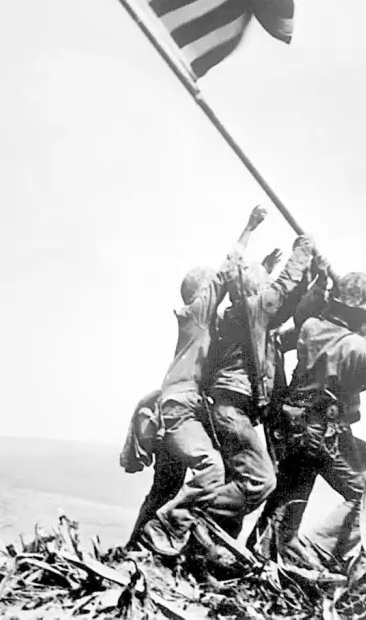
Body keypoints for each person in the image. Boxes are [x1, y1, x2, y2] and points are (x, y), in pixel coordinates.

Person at [249, 271, 366, 571]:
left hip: (293, 426)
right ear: (357, 312)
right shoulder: (357, 350)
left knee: (296, 492)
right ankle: (315, 552)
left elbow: (290, 338)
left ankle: (263, 551)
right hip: (320, 435)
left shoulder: (311, 327)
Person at [137, 205, 267, 556]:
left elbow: (235, 293)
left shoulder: (204, 325)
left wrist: (260, 273)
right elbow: (225, 275)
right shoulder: (196, 314)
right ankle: (166, 530)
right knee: (212, 467)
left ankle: (138, 547)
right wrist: (248, 228)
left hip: (188, 407)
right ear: (200, 292)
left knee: (165, 484)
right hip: (182, 407)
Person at [201, 234, 317, 538]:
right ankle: (190, 512)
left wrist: (313, 282)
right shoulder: (251, 310)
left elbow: (290, 309)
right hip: (232, 413)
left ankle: (212, 547)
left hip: (234, 413)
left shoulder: (249, 323)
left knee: (238, 482)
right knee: (259, 481)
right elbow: (281, 291)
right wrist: (302, 251)